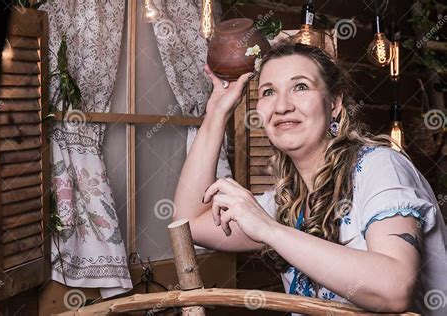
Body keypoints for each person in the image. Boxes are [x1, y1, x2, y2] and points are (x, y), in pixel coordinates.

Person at [173, 42, 447, 314]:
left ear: (335, 103)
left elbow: (394, 289)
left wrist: (269, 229)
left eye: (300, 86)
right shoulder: (286, 200)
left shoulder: (380, 167)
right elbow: (190, 224)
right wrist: (216, 114)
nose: (281, 106)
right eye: (268, 92)